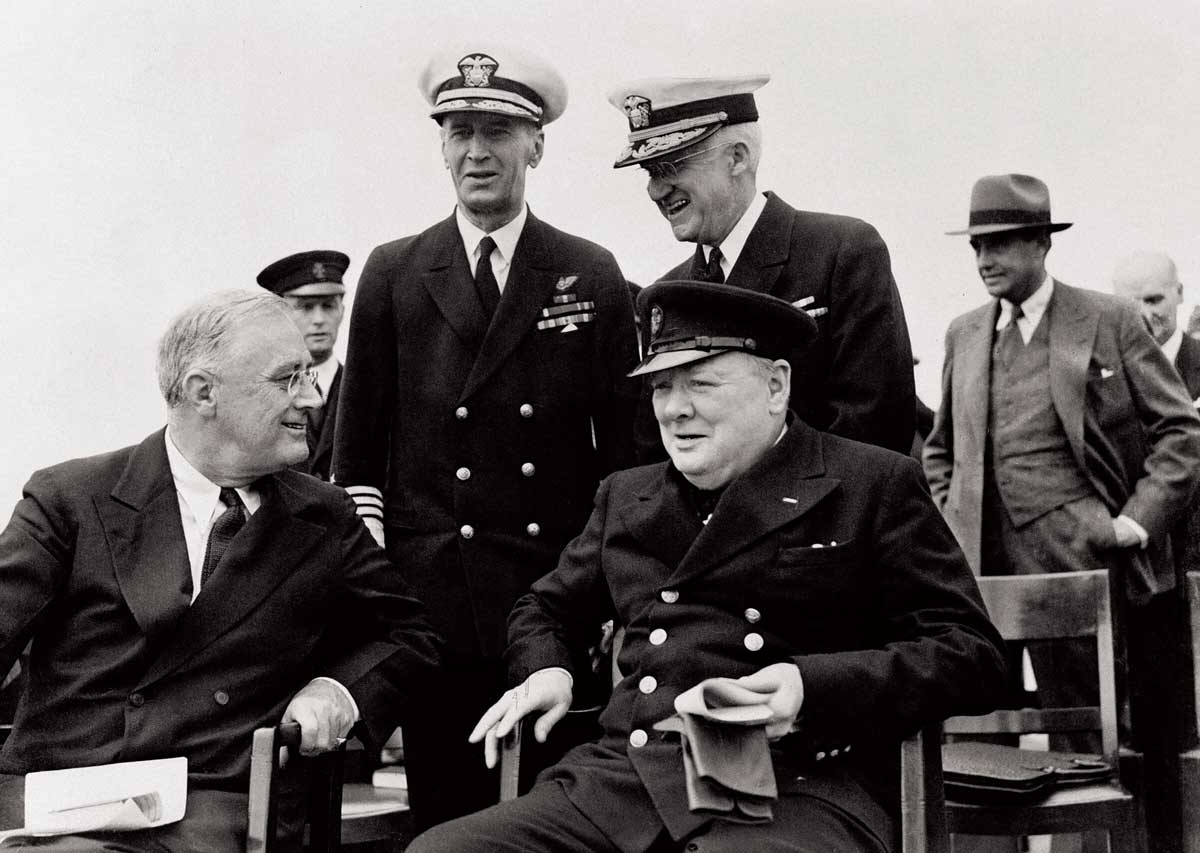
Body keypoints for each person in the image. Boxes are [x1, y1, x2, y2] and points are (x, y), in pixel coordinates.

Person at [409, 281, 1007, 853]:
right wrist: (549, 671)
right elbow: (544, 607)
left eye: (701, 382)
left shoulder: (869, 483)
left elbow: (971, 654)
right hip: (626, 780)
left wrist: (812, 686)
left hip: (797, 789)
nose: (674, 410)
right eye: (661, 387)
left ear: (776, 386)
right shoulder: (626, 495)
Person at [0, 290, 441, 849]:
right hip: (56, 804)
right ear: (203, 392)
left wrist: (336, 691)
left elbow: (410, 635)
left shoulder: (323, 516)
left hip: (208, 806)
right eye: (288, 379)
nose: (311, 398)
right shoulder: (70, 499)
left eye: (309, 376)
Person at [332, 43, 640, 829]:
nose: (477, 151)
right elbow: (356, 460)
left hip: (555, 601)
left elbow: (629, 461)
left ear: (536, 144)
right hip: (433, 607)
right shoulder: (395, 273)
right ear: (439, 144)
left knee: (560, 818)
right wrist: (386, 590)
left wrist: (607, 590)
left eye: (498, 132)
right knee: (445, 817)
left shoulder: (588, 272)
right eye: (459, 130)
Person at [924, 175, 1200, 850]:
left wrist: (1134, 522)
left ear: (1041, 244)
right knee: (975, 745)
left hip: (1082, 570)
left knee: (1089, 749)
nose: (985, 259)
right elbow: (940, 451)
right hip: (982, 577)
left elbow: (1180, 434)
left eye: (1000, 244)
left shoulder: (1105, 318)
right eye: (977, 246)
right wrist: (948, 523)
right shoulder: (964, 334)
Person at [606, 74, 915, 456]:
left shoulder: (842, 252)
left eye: (670, 166)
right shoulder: (665, 296)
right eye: (651, 172)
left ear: (737, 157)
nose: (655, 190)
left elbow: (874, 426)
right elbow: (654, 447)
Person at [1111, 249, 1199, 852]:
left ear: (1179, 295)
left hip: (1197, 565)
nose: (1145, 316)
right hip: (1146, 573)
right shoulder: (1109, 372)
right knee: (1156, 729)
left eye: (1155, 300)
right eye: (1132, 303)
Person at [257, 249, 351, 481]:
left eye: (328, 306)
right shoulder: (260, 393)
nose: (319, 319)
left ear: (342, 311)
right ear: (279, 314)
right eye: (305, 307)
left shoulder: (365, 388)